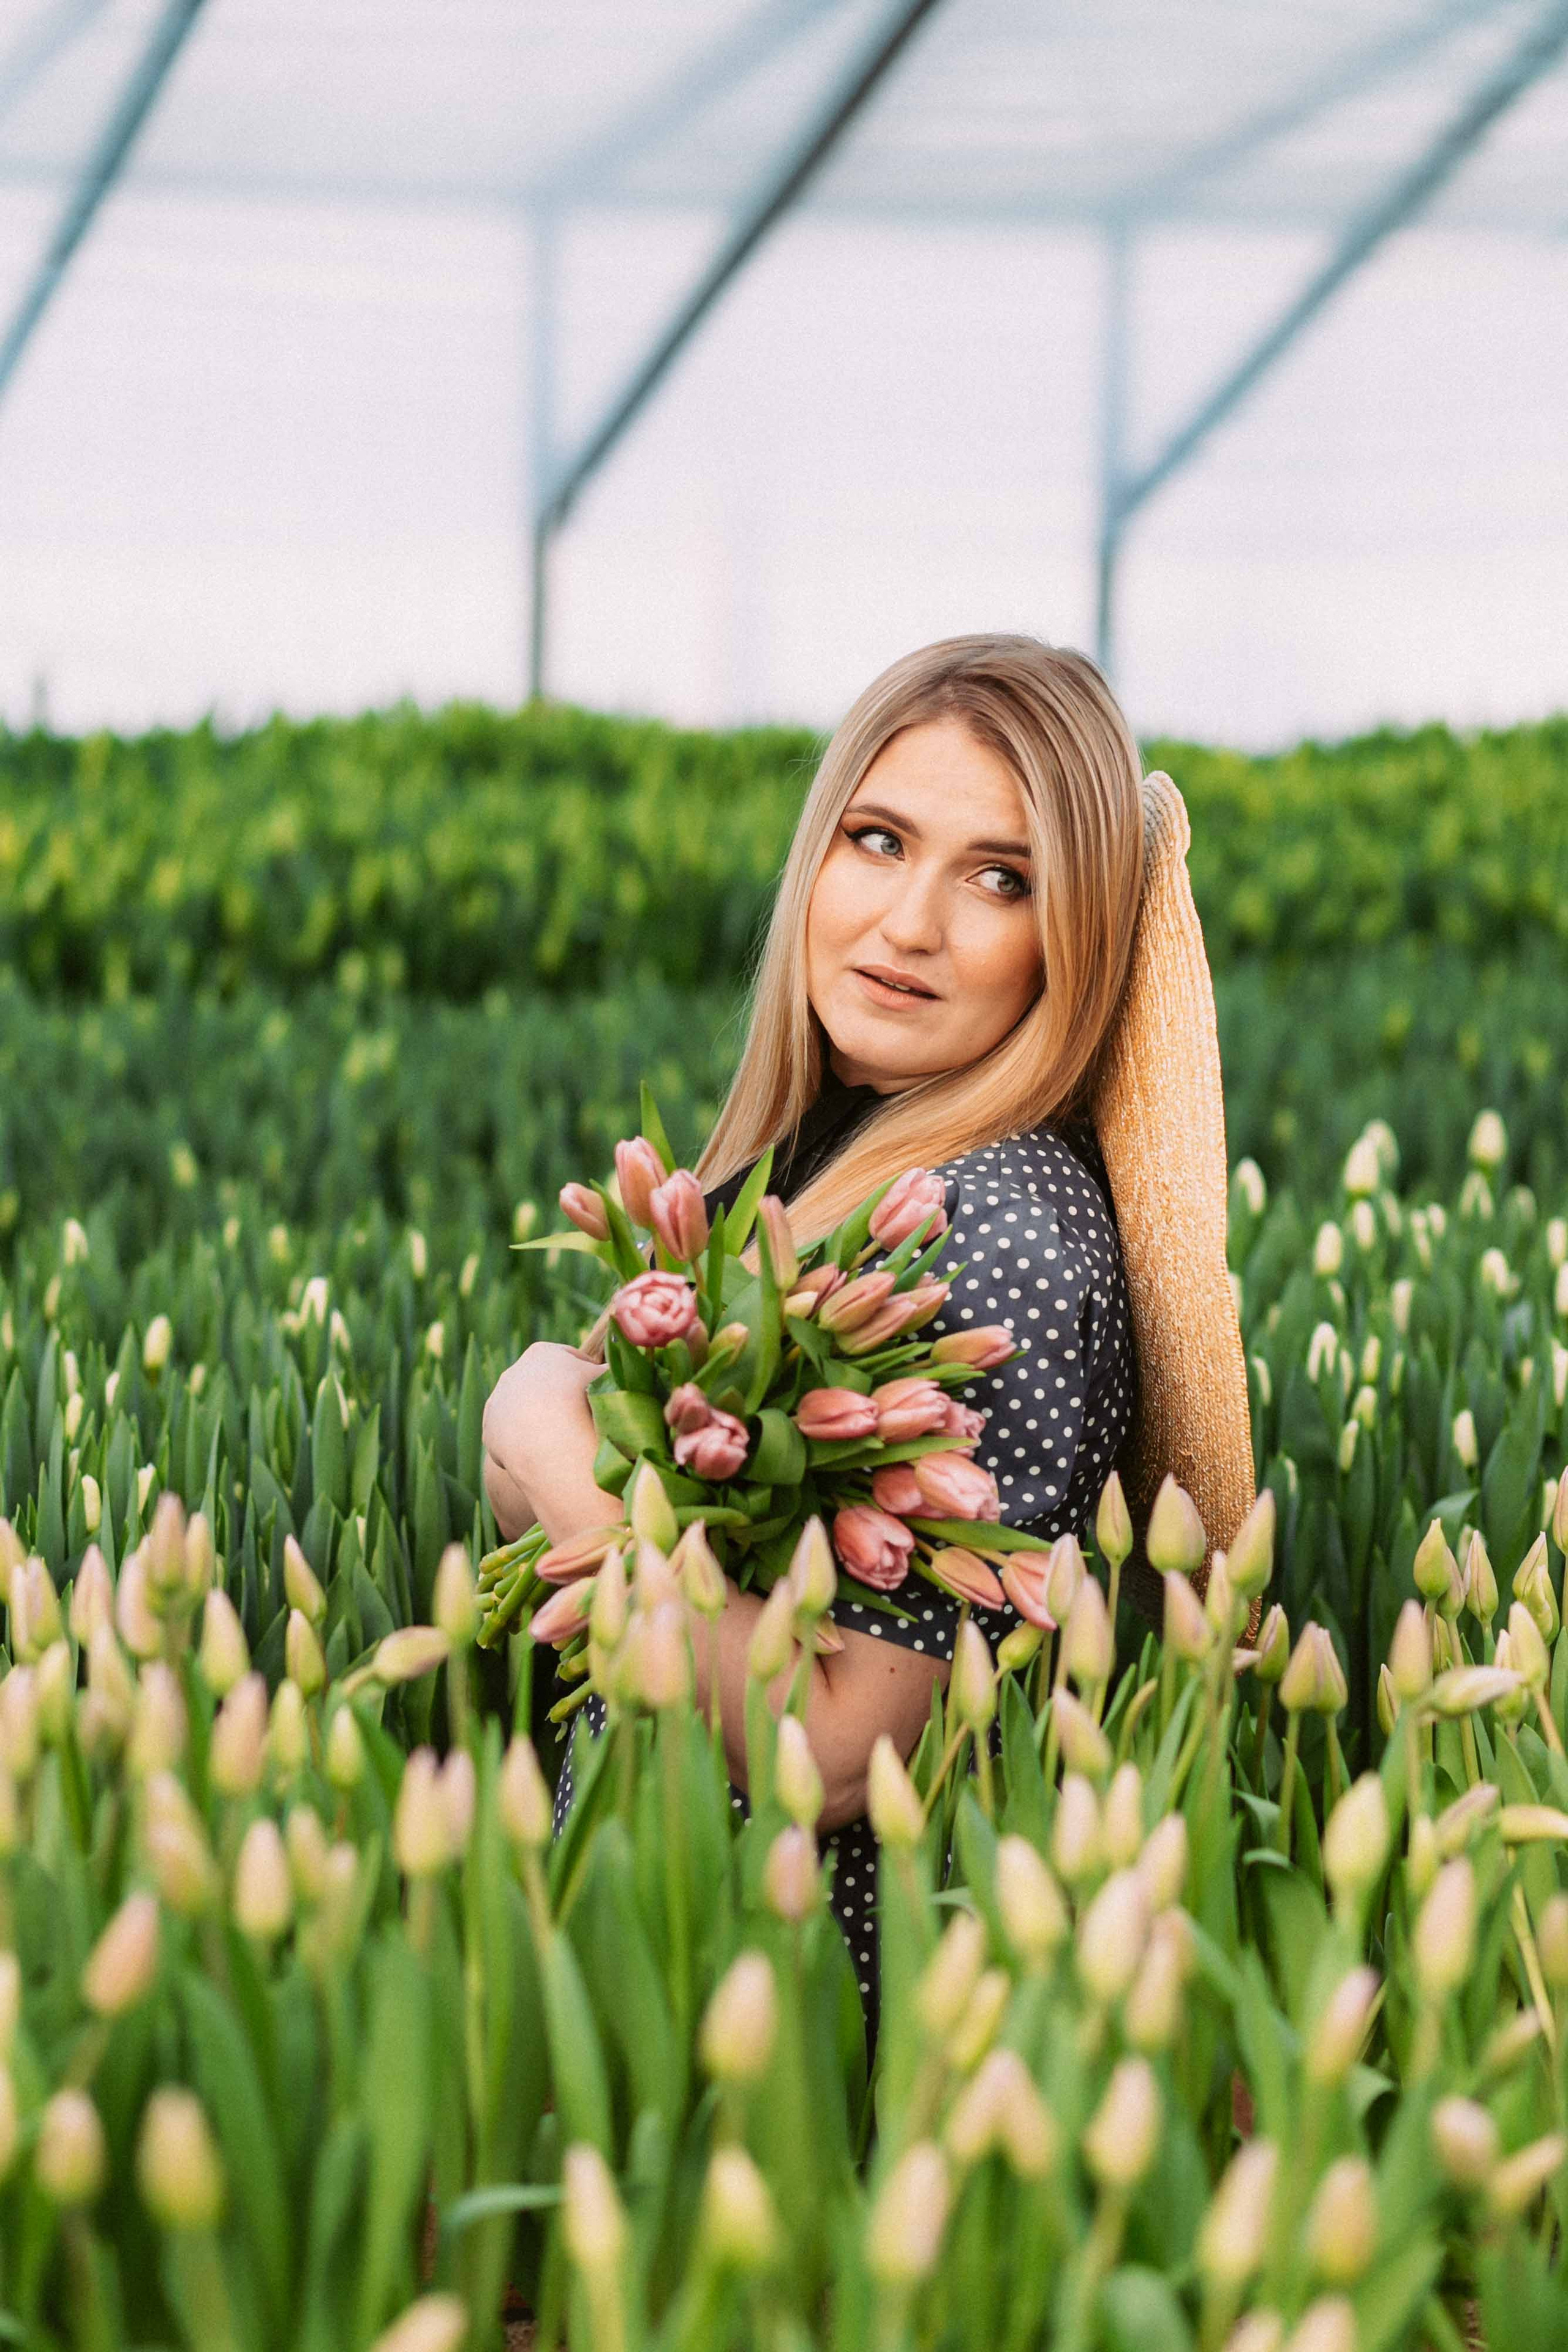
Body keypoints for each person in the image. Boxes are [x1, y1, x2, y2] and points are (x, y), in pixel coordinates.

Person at [481, 631, 1231, 2040]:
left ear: (1075, 940)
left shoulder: (994, 1231)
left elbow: (830, 1752)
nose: (906, 925)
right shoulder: (805, 1174)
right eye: (876, 840)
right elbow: (585, 1581)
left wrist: (542, 1433)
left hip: (821, 2042)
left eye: (1000, 879)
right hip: (675, 1973)